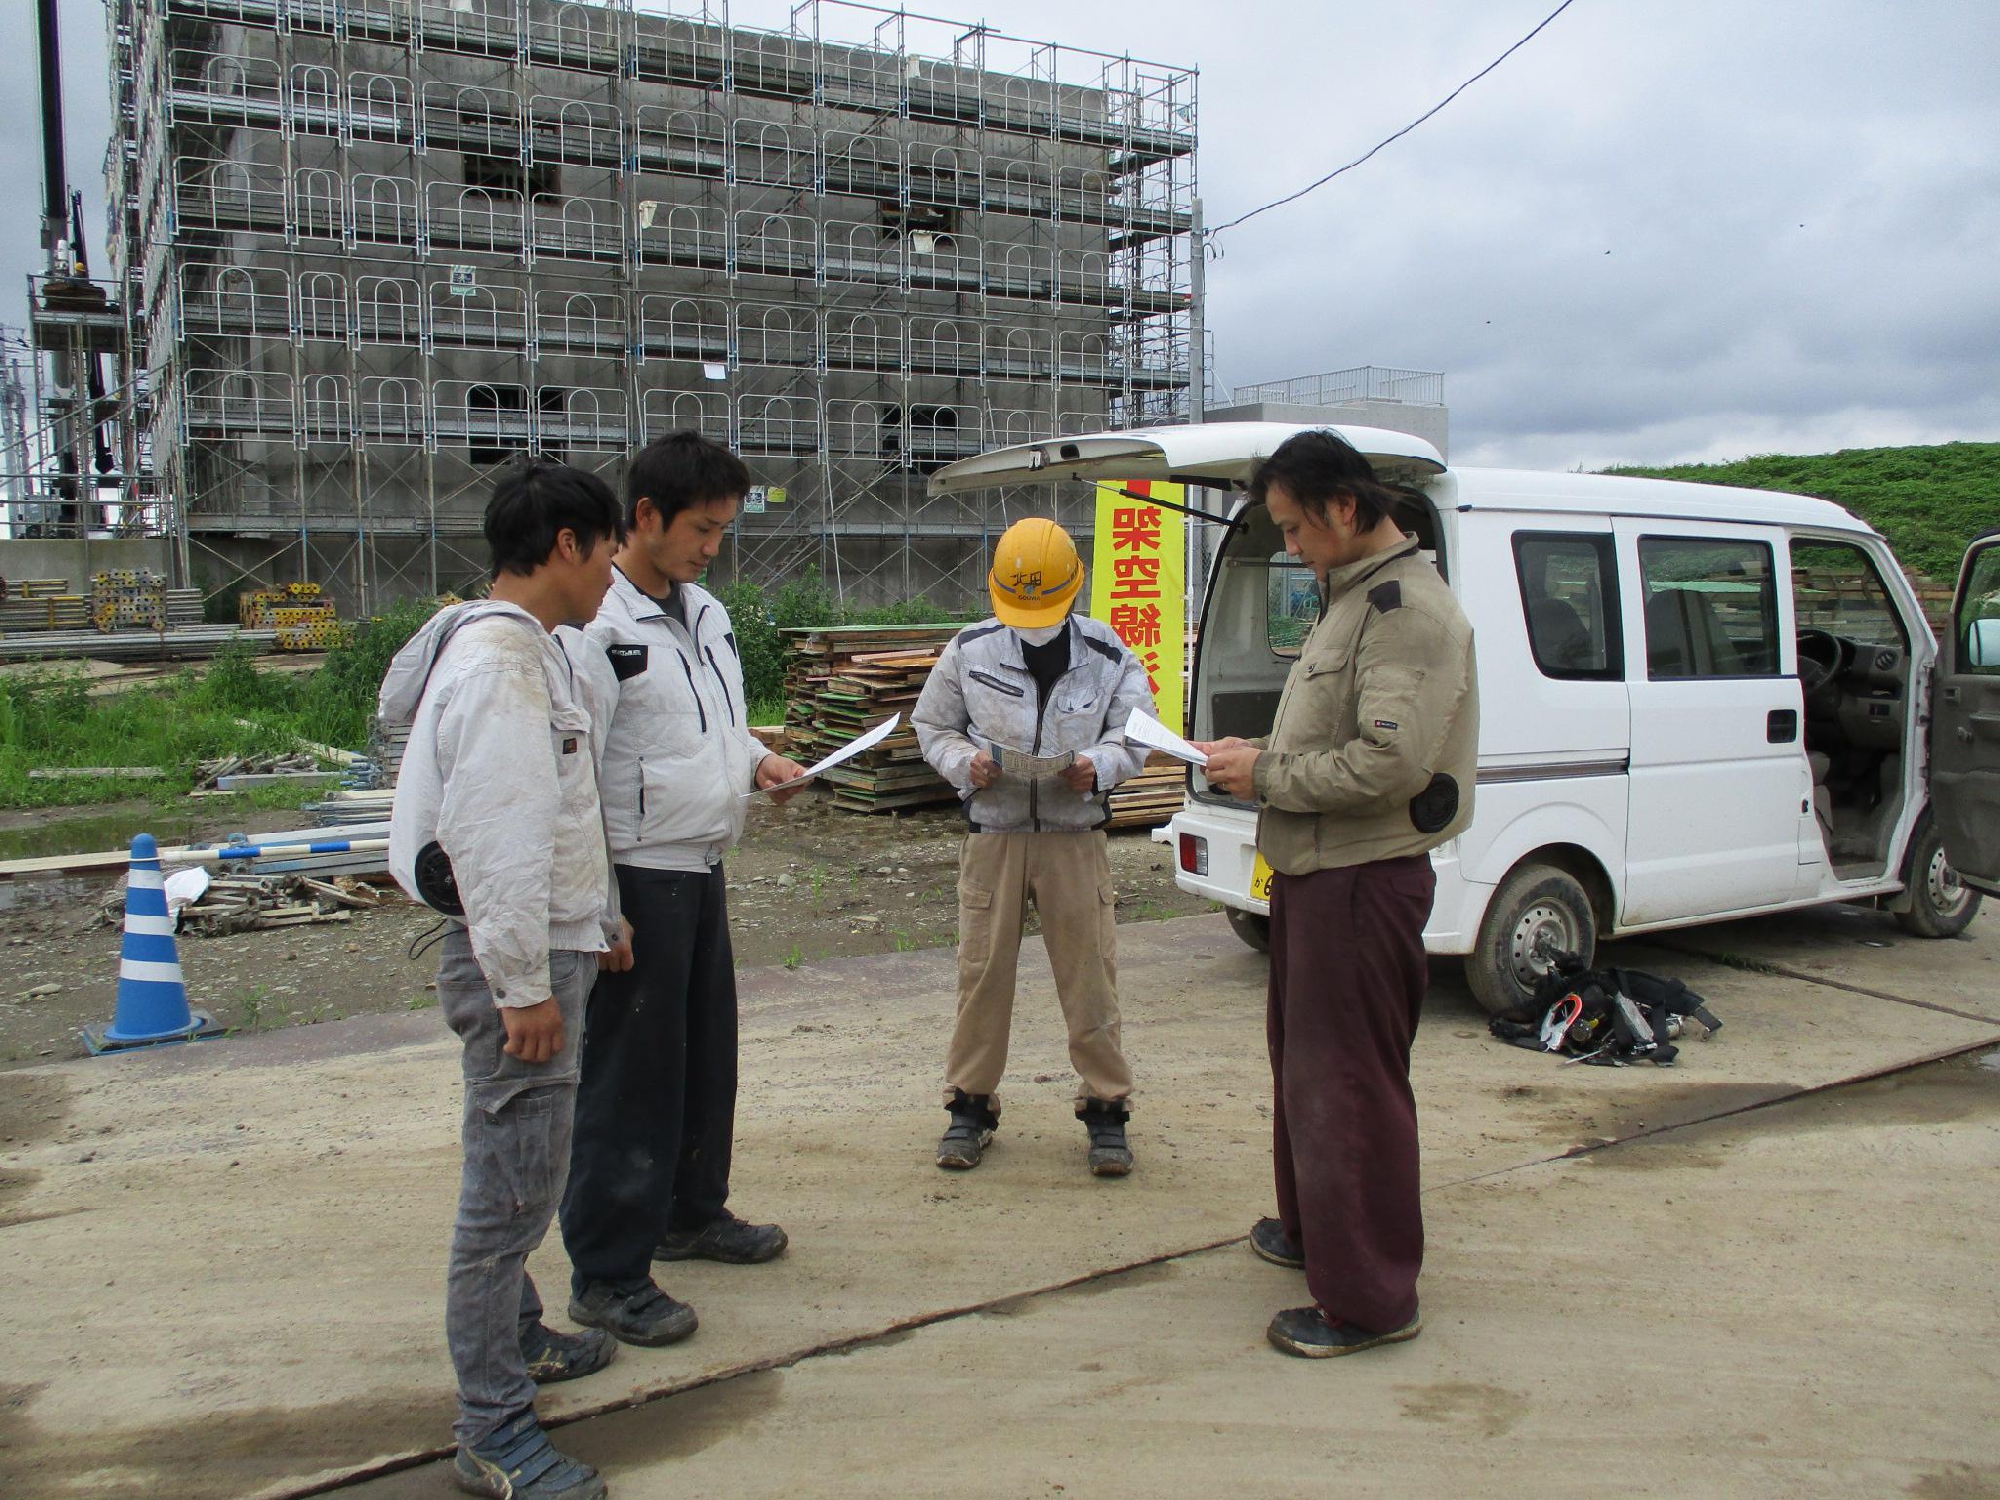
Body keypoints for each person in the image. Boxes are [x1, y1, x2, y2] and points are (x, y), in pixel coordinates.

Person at [1196, 429, 1478, 1360]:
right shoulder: (1352, 598)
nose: (1288, 547)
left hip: (1362, 878)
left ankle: (1368, 1298)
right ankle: (1317, 1228)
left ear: (1346, 510)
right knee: (1307, 1067)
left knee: (1348, 1085)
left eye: (1294, 528)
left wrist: (1263, 773)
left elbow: (1388, 760)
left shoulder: (1407, 612)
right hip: (1322, 873)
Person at [381, 458, 631, 1500]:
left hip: (541, 943)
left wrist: (597, 918)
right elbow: (494, 837)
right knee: (507, 1204)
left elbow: (556, 813)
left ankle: (523, 1336)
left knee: (516, 1173)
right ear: (568, 545)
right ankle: (491, 1429)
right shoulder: (499, 667)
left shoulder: (511, 647)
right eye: (608, 546)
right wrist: (523, 984)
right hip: (511, 965)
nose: (615, 569)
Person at [559, 432, 808, 1347]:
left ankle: (692, 1212)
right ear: (648, 517)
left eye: (725, 531)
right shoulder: (600, 627)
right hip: (636, 875)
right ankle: (608, 1270)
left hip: (701, 866)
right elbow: (574, 776)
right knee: (632, 1079)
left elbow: (714, 731)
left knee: (705, 1058)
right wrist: (597, 907)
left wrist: (763, 759)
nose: (713, 547)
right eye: (703, 529)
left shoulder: (704, 615)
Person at [913, 517, 1156, 1176]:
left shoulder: (1109, 655)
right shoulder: (970, 650)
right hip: (994, 837)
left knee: (1090, 980)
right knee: (982, 976)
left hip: (1073, 839)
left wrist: (1100, 765)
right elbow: (932, 724)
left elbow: (1137, 733)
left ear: (1075, 591)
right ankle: (970, 1106)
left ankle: (1107, 1109)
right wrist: (966, 763)